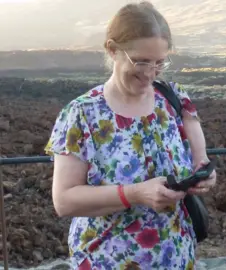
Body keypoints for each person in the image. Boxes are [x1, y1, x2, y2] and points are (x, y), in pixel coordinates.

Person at [44, 2, 216, 269]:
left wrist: (202, 170)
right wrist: (135, 194)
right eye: (141, 61)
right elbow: (64, 201)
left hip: (177, 255)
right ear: (113, 50)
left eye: (159, 62)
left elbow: (197, 152)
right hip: (107, 259)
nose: (150, 73)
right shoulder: (82, 114)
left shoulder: (172, 98)